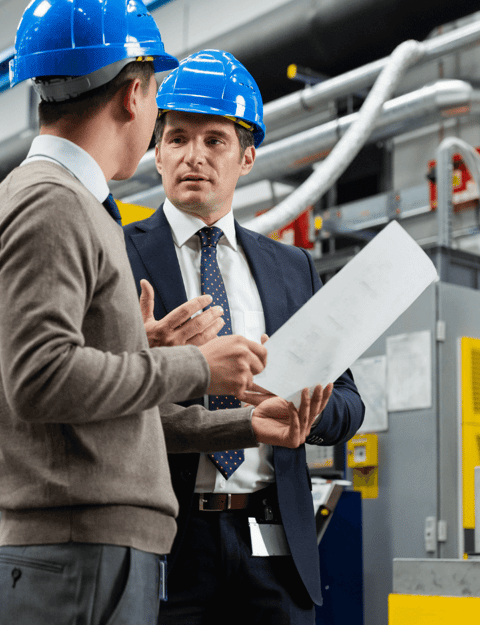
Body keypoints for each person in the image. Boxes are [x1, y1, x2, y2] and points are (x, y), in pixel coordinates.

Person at [0, 0, 311, 625]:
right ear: (134, 95)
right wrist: (196, 367)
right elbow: (41, 379)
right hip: (81, 546)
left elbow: (106, 407)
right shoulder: (52, 203)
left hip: (101, 544)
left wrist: (241, 422)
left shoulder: (68, 202)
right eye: (161, 104)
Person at [123, 50, 366, 624]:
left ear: (247, 157)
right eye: (177, 139)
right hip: (166, 543)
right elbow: (98, 398)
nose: (194, 156)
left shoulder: (293, 268)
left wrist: (305, 408)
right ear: (157, 153)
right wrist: (154, 361)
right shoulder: (116, 254)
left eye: (215, 141)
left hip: (273, 541)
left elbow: (350, 402)